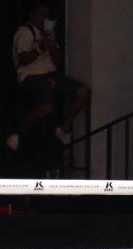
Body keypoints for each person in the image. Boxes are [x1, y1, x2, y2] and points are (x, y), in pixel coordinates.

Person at [9, 0, 90, 150]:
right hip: (32, 75)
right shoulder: (24, 32)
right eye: (41, 15)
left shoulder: (49, 33)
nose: (43, 19)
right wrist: (40, 48)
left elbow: (57, 60)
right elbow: (23, 59)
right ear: (32, 15)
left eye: (46, 16)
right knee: (47, 107)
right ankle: (19, 131)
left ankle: (65, 128)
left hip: (51, 74)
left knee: (83, 91)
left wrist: (51, 46)